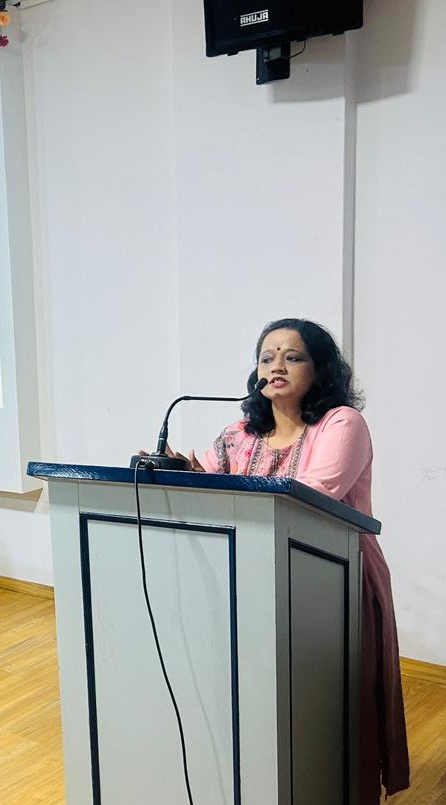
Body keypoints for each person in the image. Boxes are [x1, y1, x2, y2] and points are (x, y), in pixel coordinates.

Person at [166, 318, 409, 803]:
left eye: (293, 357)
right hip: (252, 577)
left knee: (331, 702)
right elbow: (209, 485)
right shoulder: (239, 434)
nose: (276, 366)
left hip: (335, 578)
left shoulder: (341, 423)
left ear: (320, 370)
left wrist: (221, 485)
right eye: (267, 357)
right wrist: (180, 473)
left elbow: (313, 495)